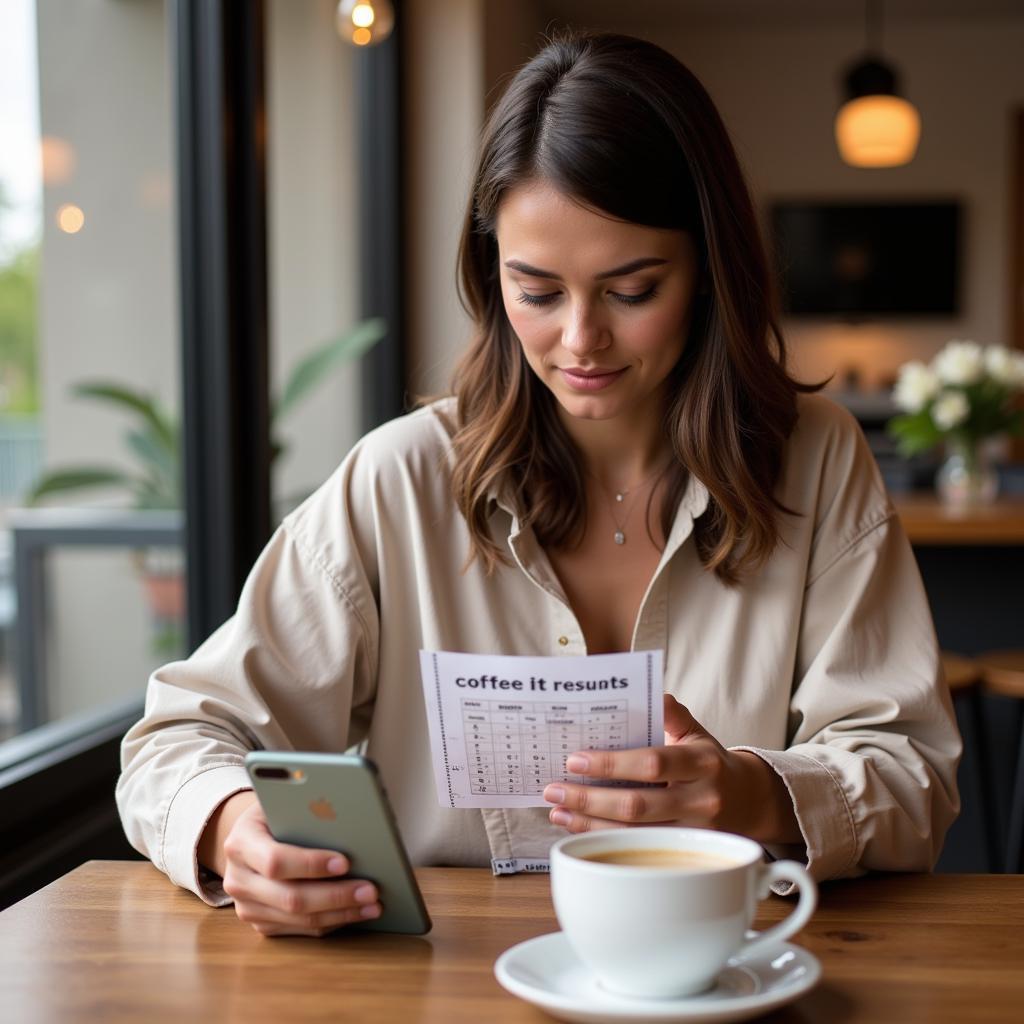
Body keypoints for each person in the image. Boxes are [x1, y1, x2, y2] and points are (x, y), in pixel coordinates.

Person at [117, 31, 960, 937]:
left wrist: (754, 796)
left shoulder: (816, 459)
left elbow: (915, 774)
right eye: (538, 290)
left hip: (723, 978)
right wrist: (233, 828)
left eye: (632, 290)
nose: (580, 340)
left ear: (711, 275)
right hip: (445, 988)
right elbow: (175, 740)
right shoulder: (399, 480)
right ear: (491, 276)